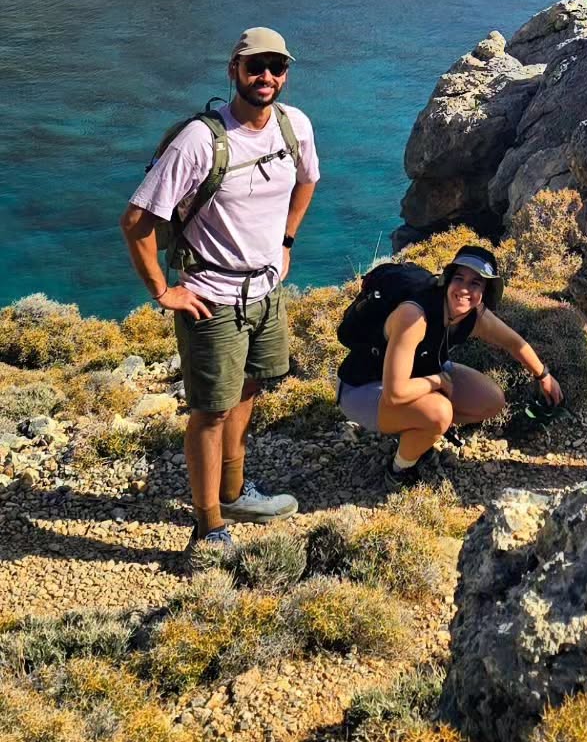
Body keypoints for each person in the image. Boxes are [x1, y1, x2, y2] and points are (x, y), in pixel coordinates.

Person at [121, 28, 318, 567]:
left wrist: (286, 241)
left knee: (251, 385)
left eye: (277, 67)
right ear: (234, 69)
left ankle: (233, 495)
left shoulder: (293, 125)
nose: (267, 77)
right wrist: (163, 291)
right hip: (210, 295)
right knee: (210, 411)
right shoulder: (200, 141)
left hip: (266, 289)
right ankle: (208, 528)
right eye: (256, 66)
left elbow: (307, 181)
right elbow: (137, 220)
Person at [335, 245, 563, 486]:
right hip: (362, 388)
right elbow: (395, 394)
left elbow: (513, 343)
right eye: (459, 278)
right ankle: (400, 469)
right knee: (439, 413)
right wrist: (437, 382)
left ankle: (418, 431)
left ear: (486, 291)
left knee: (491, 400)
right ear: (447, 280)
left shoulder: (475, 315)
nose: (464, 289)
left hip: (418, 377)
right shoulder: (414, 317)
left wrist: (543, 375)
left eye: (476, 283)